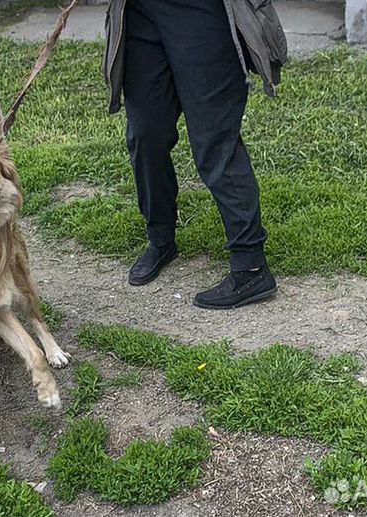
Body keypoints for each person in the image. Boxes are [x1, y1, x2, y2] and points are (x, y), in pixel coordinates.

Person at [103, 0, 287, 309]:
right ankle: (161, 240)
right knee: (146, 135)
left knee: (214, 141)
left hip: (204, 13)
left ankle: (251, 266)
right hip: (139, 14)